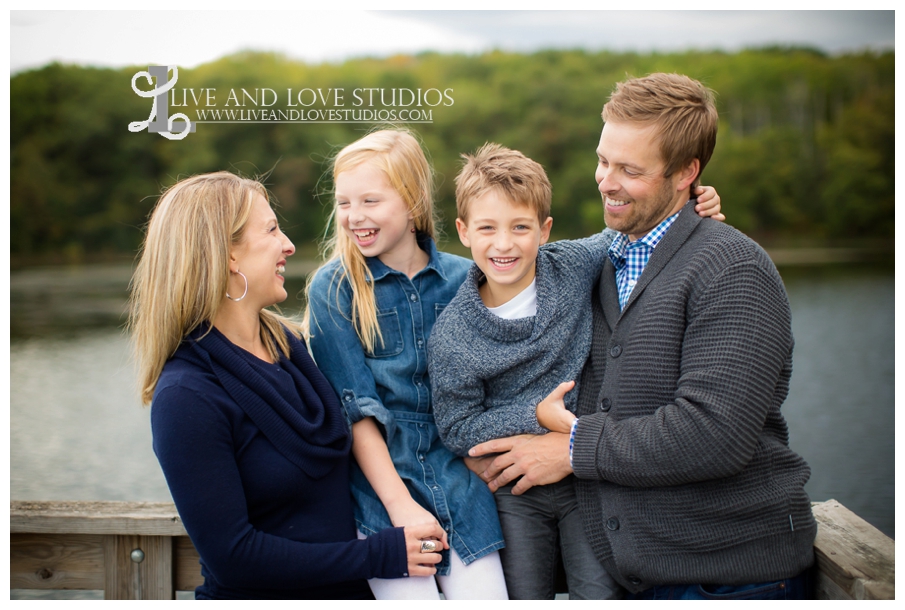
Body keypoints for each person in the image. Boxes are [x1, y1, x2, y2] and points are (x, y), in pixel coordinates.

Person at [469, 73, 817, 600]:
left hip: (728, 579)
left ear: (686, 174)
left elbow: (713, 435)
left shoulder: (734, 269)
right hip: (634, 576)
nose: (606, 181)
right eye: (604, 159)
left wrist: (571, 450)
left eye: (630, 170)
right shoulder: (603, 261)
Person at [130, 171, 446, 600]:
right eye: (272, 229)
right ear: (229, 257)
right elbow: (233, 557)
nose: (289, 246)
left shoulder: (292, 348)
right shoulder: (187, 396)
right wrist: (378, 555)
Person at [428, 144, 722, 599]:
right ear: (464, 232)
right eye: (487, 228)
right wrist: (537, 416)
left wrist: (696, 201)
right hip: (515, 488)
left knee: (598, 593)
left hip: (587, 477)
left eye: (520, 227)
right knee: (525, 594)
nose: (504, 244)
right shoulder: (453, 335)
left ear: (544, 230)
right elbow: (457, 426)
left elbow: (639, 228)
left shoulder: (571, 266)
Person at [303, 129, 508, 600]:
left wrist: (686, 210)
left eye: (371, 200)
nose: (355, 217)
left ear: (412, 201)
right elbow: (355, 412)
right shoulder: (334, 290)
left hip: (464, 487)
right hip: (379, 498)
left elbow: (545, 263)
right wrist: (401, 510)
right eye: (345, 202)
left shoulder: (466, 278)